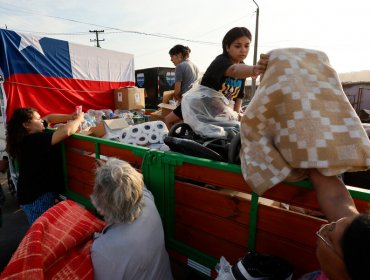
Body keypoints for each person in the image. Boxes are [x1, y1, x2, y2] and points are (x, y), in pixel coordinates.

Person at [90, 158, 173, 280]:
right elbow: (135, 182)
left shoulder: (102, 251)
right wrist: (112, 169)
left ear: (101, 207)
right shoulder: (147, 200)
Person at [5, 107, 84, 224]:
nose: (42, 120)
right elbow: (66, 131)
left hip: (32, 195)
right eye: (38, 119)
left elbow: (50, 118)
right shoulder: (32, 140)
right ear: (27, 125)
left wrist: (70, 117)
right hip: (36, 198)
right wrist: (78, 120)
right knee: (44, 233)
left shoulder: (27, 137)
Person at [301, 169, 370, 280]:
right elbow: (336, 198)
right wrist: (311, 162)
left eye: (328, 237)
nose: (322, 227)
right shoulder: (354, 237)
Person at [200, 27, 269, 115]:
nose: (243, 50)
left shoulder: (243, 67)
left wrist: (236, 117)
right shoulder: (221, 61)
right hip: (204, 111)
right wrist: (255, 69)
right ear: (227, 47)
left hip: (223, 116)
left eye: (246, 46)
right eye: (237, 46)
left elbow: (239, 96)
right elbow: (234, 70)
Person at [165, 44, 200, 129]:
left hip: (187, 102)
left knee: (167, 120)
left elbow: (177, 91)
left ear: (179, 55)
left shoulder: (179, 67)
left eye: (172, 56)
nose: (171, 59)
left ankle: (170, 142)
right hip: (195, 101)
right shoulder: (195, 66)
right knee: (182, 126)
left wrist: (179, 100)